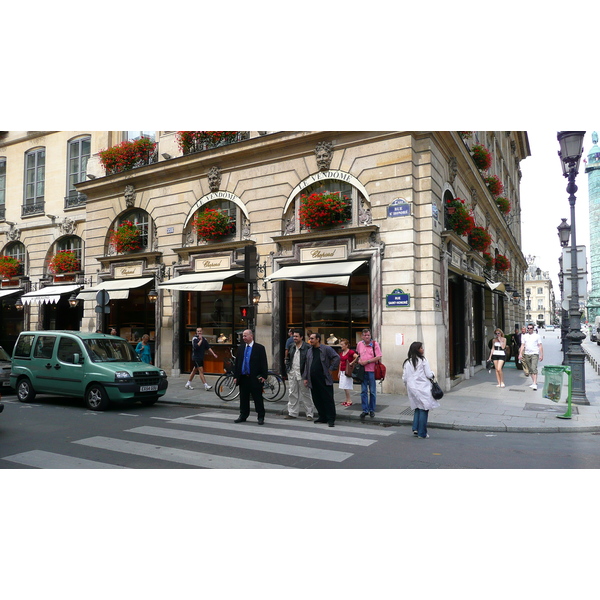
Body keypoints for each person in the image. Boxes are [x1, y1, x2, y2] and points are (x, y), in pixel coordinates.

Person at [402, 341, 440, 439]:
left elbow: (404, 378)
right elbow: (428, 374)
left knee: (417, 407)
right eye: (421, 348)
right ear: (417, 350)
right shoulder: (423, 360)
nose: (422, 349)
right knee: (424, 408)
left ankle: (416, 428)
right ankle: (422, 433)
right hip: (423, 387)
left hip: (412, 388)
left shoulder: (407, 362)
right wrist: (433, 373)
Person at [303, 332, 340, 427]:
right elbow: (307, 365)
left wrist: (331, 368)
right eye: (310, 338)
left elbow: (336, 357)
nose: (310, 340)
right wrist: (306, 378)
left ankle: (331, 418)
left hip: (324, 378)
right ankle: (322, 416)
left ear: (318, 339)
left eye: (312, 338)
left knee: (327, 399)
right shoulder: (310, 351)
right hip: (313, 379)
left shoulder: (326, 349)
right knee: (317, 399)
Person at [233, 329, 269, 425]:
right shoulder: (241, 348)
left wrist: (264, 376)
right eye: (243, 336)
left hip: (255, 378)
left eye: (245, 336)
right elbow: (238, 363)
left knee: (257, 398)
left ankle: (260, 416)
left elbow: (264, 363)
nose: (243, 338)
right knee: (243, 398)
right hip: (243, 377)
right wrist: (236, 376)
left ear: (251, 336)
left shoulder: (259, 348)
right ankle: (243, 415)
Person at [285, 329, 314, 420]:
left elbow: (309, 362)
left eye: (297, 336)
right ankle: (292, 413)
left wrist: (307, 375)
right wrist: (288, 369)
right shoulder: (291, 346)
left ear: (301, 337)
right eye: (294, 336)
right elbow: (288, 358)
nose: (295, 338)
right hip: (292, 372)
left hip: (302, 373)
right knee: (292, 393)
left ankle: (309, 414)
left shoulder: (307, 347)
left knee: (305, 394)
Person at [356, 328, 382, 419]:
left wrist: (367, 361)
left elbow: (378, 357)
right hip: (363, 371)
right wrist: (359, 360)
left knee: (372, 391)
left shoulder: (375, 344)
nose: (367, 337)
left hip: (371, 370)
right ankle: (365, 410)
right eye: (365, 335)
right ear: (362, 336)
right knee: (363, 391)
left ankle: (371, 410)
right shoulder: (359, 344)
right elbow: (358, 355)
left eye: (368, 335)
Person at [518, 324, 544, 391]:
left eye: (531, 328)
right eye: (528, 328)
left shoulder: (537, 336)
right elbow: (522, 345)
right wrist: (520, 354)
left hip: (535, 353)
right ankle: (534, 382)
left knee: (533, 368)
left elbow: (540, 345)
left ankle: (535, 383)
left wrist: (541, 355)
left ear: (533, 329)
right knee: (530, 369)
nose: (529, 329)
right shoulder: (524, 336)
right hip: (527, 353)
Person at [338, 338, 357, 406]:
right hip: (343, 371)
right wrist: (339, 371)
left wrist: (351, 363)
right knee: (344, 386)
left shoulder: (350, 352)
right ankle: (347, 399)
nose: (341, 346)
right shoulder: (341, 353)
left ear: (346, 345)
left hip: (347, 371)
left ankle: (349, 400)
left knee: (346, 386)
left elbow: (357, 357)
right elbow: (340, 362)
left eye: (342, 344)